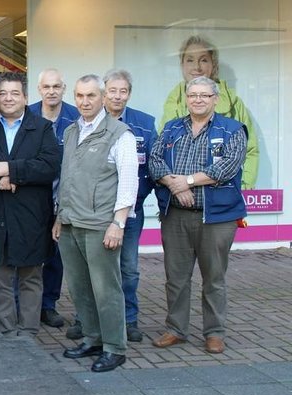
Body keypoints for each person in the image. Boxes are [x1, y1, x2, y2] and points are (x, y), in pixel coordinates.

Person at [149, 76, 247, 354]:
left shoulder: (232, 130)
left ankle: (214, 332)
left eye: (205, 95)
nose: (198, 100)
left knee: (213, 277)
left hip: (216, 218)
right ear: (186, 98)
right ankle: (176, 329)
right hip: (176, 215)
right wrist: (174, 184)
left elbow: (227, 167)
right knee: (175, 277)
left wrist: (188, 181)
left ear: (215, 99)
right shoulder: (171, 129)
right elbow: (155, 162)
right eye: (193, 95)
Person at [0, 72, 60, 338]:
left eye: (15, 93)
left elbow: (50, 166)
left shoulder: (42, 128)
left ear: (26, 97)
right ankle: (6, 331)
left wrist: (11, 170)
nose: (8, 98)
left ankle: (28, 332)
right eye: (3, 93)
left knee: (31, 277)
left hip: (31, 216)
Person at [55, 74, 138, 372]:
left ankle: (115, 347)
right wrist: (59, 217)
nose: (85, 101)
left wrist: (118, 223)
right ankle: (93, 338)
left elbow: (129, 184)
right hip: (70, 222)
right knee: (79, 287)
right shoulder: (71, 131)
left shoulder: (120, 135)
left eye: (91, 96)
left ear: (102, 98)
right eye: (79, 96)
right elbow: (67, 179)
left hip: (102, 224)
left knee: (106, 289)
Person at [160, 35, 258, 189]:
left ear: (214, 64)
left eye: (204, 60)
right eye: (190, 60)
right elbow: (162, 153)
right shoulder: (173, 102)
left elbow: (250, 150)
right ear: (182, 65)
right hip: (181, 198)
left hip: (224, 195)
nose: (197, 67)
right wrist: (176, 189)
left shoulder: (235, 104)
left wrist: (242, 188)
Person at [103, 69, 157, 343]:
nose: (117, 96)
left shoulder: (145, 124)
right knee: (96, 268)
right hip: (96, 213)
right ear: (104, 91)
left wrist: (136, 199)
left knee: (129, 268)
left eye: (123, 91)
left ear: (129, 94)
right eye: (113, 90)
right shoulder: (90, 121)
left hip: (131, 212)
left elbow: (152, 167)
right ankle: (87, 319)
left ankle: (130, 320)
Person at [29, 68, 81, 334]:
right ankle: (25, 305)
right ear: (39, 89)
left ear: (63, 88)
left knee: (56, 257)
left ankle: (48, 305)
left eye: (56, 87)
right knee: (27, 255)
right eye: (46, 87)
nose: (51, 91)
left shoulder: (76, 118)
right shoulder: (28, 115)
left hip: (64, 201)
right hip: (32, 199)